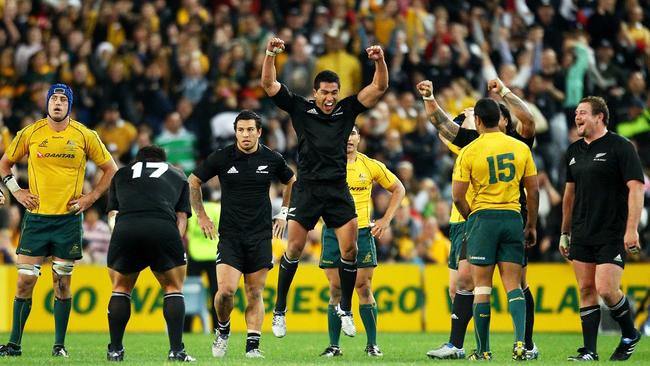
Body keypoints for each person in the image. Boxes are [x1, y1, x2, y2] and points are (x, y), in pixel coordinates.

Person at [261, 36, 388, 338]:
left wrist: (379, 61)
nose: (330, 98)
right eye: (325, 93)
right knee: (293, 248)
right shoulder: (301, 109)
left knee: (350, 248)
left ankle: (345, 308)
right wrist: (270, 54)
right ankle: (279, 310)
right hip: (307, 188)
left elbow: (379, 88)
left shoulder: (347, 109)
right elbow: (269, 84)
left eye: (334, 92)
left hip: (336, 189)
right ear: (315, 92)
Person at [422, 78, 540, 359]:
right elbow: (444, 125)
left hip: (487, 217)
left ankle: (513, 345)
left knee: (503, 284)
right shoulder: (503, 144)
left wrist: (505, 92)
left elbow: (443, 128)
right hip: (504, 218)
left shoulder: (503, 142)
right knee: (467, 281)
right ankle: (461, 345)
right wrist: (430, 97)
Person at [0, 83, 117, 358]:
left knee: (61, 283)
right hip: (37, 220)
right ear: (47, 103)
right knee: (24, 282)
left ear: (70, 105)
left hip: (67, 221)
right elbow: (4, 163)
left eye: (63, 99)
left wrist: (90, 199)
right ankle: (14, 345)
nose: (57, 102)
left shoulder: (84, 135)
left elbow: (110, 169)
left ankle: (59, 345)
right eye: (53, 98)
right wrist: (17, 192)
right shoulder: (30, 133)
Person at [189, 110, 295, 358]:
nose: (245, 134)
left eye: (250, 130)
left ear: (259, 132)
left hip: (260, 236)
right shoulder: (223, 157)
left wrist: (284, 213)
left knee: (254, 292)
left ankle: (252, 347)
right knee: (225, 291)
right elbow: (193, 181)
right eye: (240, 130)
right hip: (230, 236)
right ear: (235, 132)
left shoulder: (272, 158)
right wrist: (201, 216)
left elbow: (291, 180)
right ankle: (223, 330)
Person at [450, 97, 539, 361]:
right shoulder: (520, 147)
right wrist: (531, 224)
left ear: (477, 120)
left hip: (483, 220)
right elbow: (532, 190)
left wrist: (472, 216)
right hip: (512, 217)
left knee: (482, 288)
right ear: (500, 120)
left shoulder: (470, 151)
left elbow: (457, 196)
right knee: (514, 285)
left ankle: (483, 350)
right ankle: (521, 344)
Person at [560, 96, 644, 361]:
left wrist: (632, 229)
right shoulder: (573, 151)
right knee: (586, 290)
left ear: (600, 117)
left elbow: (636, 188)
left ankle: (630, 333)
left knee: (606, 289)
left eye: (583, 112)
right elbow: (569, 195)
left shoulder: (621, 147)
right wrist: (565, 232)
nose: (577, 117)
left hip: (611, 230)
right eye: (576, 113)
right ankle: (590, 351)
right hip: (582, 231)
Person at [319, 126, 405, 358]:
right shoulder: (325, 163)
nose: (348, 138)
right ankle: (334, 346)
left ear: (359, 138)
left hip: (363, 231)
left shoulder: (370, 165)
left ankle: (372, 344)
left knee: (363, 287)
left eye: (352, 134)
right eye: (344, 133)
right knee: (335, 288)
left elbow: (398, 188)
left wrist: (386, 220)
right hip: (332, 230)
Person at [105, 145, 195, 362]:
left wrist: (120, 235)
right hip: (162, 227)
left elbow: (112, 214)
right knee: (173, 288)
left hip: (125, 228)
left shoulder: (122, 173)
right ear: (163, 160)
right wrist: (175, 241)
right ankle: (176, 351)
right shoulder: (177, 174)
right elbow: (181, 217)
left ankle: (115, 350)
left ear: (138, 160)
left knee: (121, 288)